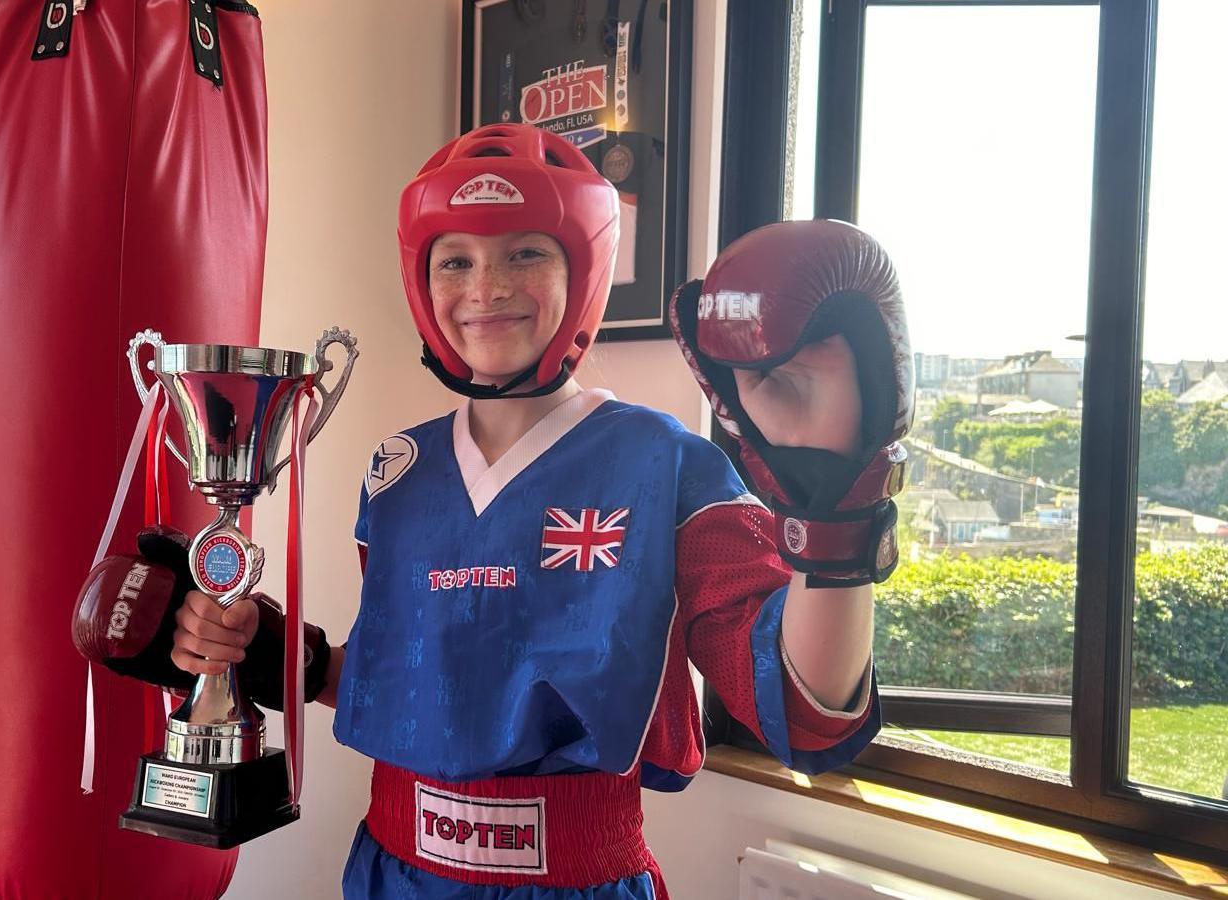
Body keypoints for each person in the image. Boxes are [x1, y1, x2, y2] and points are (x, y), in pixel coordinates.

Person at [89, 123, 911, 899]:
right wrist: (270, 655)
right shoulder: (397, 470)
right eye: (455, 262)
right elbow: (420, 678)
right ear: (422, 280)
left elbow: (805, 710)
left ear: (582, 275)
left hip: (574, 879)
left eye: (526, 254)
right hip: (390, 868)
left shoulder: (669, 464)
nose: (486, 288)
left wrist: (833, 503)